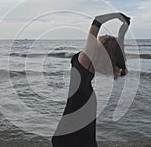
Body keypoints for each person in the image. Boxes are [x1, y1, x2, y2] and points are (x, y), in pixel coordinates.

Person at [51, 12, 130, 147]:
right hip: (87, 98)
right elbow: (121, 65)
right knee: (82, 139)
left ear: (104, 43)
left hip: (80, 98)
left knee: (63, 140)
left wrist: (118, 16)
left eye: (106, 36)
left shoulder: (90, 52)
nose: (103, 35)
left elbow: (98, 20)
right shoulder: (98, 59)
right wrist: (122, 32)